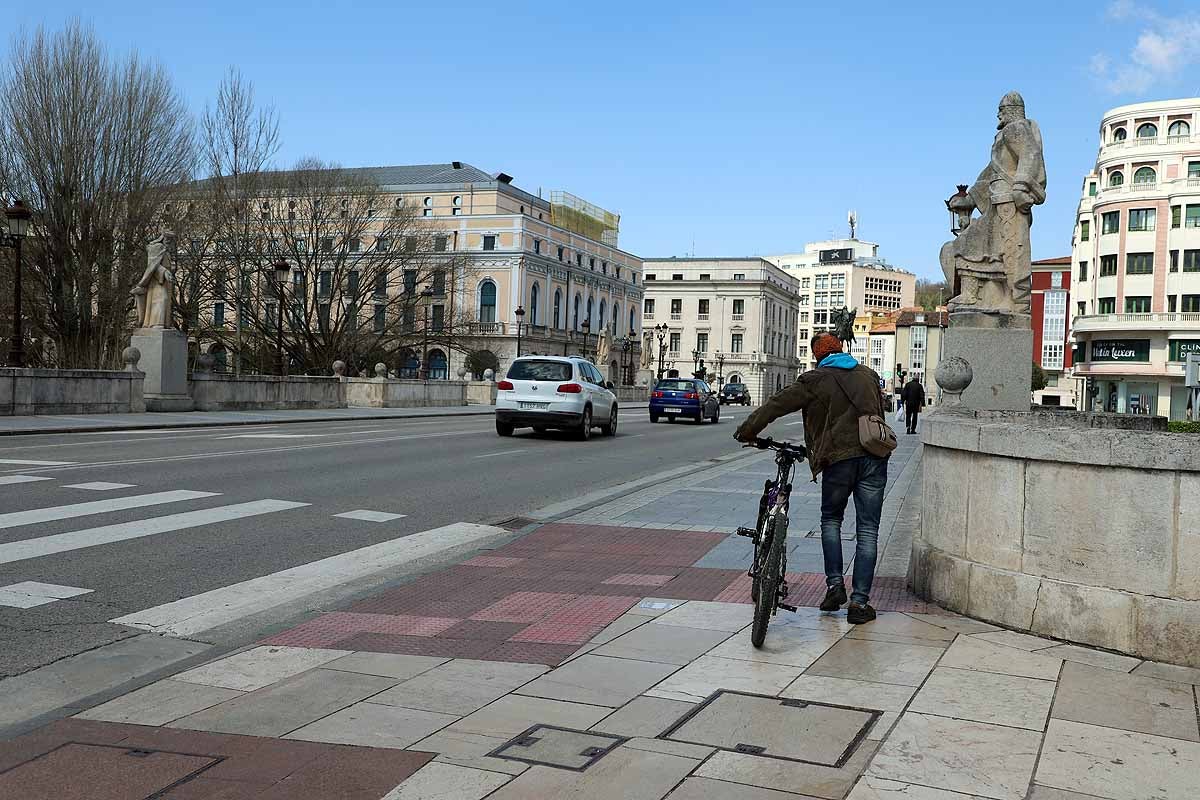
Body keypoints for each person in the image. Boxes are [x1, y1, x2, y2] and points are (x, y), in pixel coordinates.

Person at [734, 332, 889, 625]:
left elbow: (776, 405)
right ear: (841, 350)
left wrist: (747, 430)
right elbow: (878, 413)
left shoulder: (815, 379)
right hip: (873, 458)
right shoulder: (868, 375)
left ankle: (834, 586)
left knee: (831, 520)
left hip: (838, 459)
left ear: (818, 356)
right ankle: (859, 603)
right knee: (868, 530)